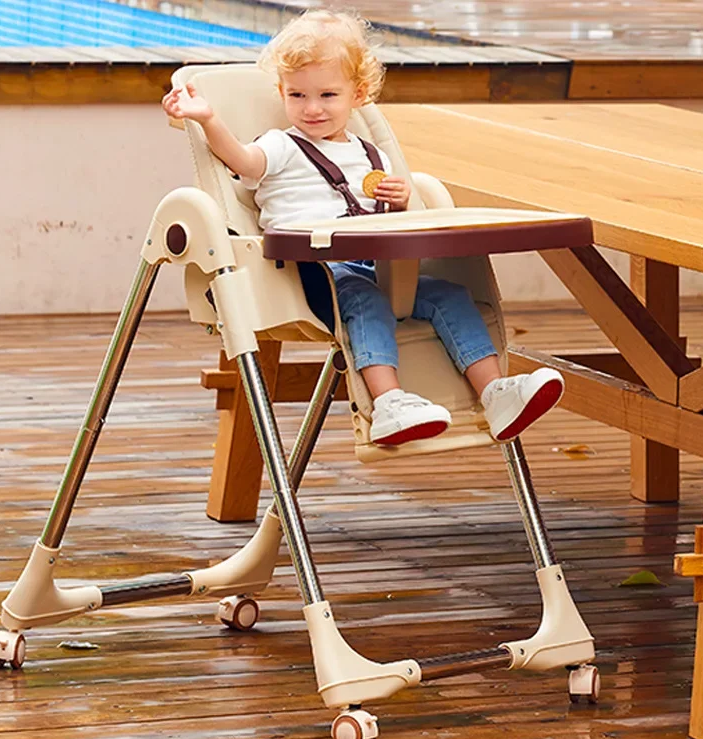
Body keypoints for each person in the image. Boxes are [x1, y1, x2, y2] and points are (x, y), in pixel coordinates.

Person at [161, 10, 564, 446]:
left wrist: (400, 202)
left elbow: (393, 226)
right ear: (282, 93)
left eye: (327, 95)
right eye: (297, 95)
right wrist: (206, 120)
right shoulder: (280, 145)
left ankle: (494, 393)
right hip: (313, 275)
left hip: (381, 265)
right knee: (363, 299)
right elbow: (241, 161)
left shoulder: (372, 156)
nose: (311, 108)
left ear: (358, 94)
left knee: (450, 295)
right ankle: (389, 402)